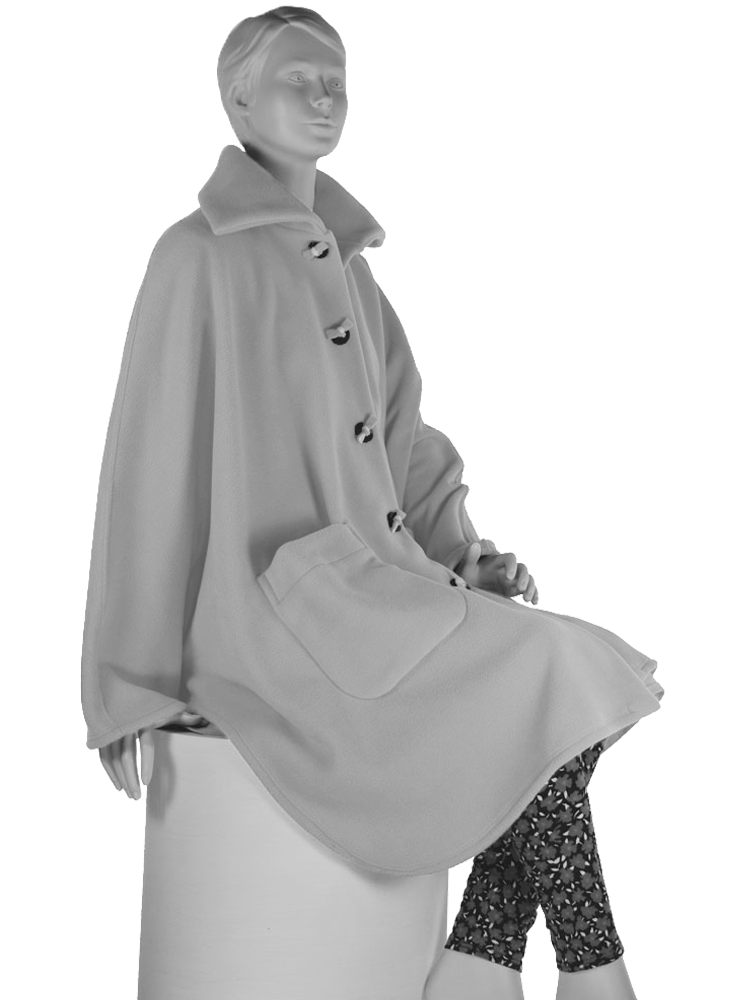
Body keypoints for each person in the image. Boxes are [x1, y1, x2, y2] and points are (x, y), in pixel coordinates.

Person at [80, 8, 664, 998]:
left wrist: (462, 555)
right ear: (236, 101)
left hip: (369, 589)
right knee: (552, 671)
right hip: (270, 615)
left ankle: (486, 959)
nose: (324, 98)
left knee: (567, 672)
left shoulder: (347, 268)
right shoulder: (196, 254)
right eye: (297, 79)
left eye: (337, 81)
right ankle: (572, 966)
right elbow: (149, 459)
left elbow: (400, 439)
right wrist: (127, 680)